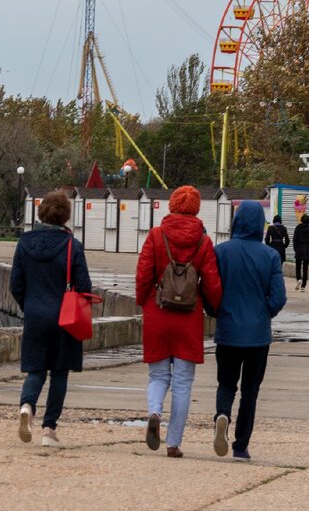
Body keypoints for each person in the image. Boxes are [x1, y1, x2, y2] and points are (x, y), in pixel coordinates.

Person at [136, 185, 223, 458]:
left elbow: (142, 275)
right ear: (196, 208)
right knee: (183, 383)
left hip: (158, 313)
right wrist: (216, 307)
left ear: (172, 205)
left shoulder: (156, 235)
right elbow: (212, 282)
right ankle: (173, 443)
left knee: (158, 375)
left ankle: (153, 412)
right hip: (188, 317)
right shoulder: (204, 242)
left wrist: (143, 301)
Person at [10, 190, 92, 447]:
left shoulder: (24, 243)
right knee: (59, 373)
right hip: (64, 318)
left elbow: (16, 284)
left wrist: (30, 305)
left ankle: (27, 406)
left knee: (35, 370)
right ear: (66, 216)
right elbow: (85, 287)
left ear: (41, 212)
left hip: (35, 314)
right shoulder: (72, 246)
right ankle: (49, 429)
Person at [212, 200, 287, 460]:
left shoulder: (220, 252)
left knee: (226, 384)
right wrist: (264, 313)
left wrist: (217, 311)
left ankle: (222, 415)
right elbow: (278, 297)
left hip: (228, 331)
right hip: (257, 336)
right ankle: (240, 446)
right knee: (250, 391)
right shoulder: (270, 256)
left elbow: (210, 290)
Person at [292, 214, 309, 291]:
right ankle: (303, 287)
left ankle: (299, 279)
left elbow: (295, 240)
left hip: (299, 249)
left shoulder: (297, 228)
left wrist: (295, 248)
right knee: (305, 269)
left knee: (298, 267)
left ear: (301, 220)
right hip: (307, 250)